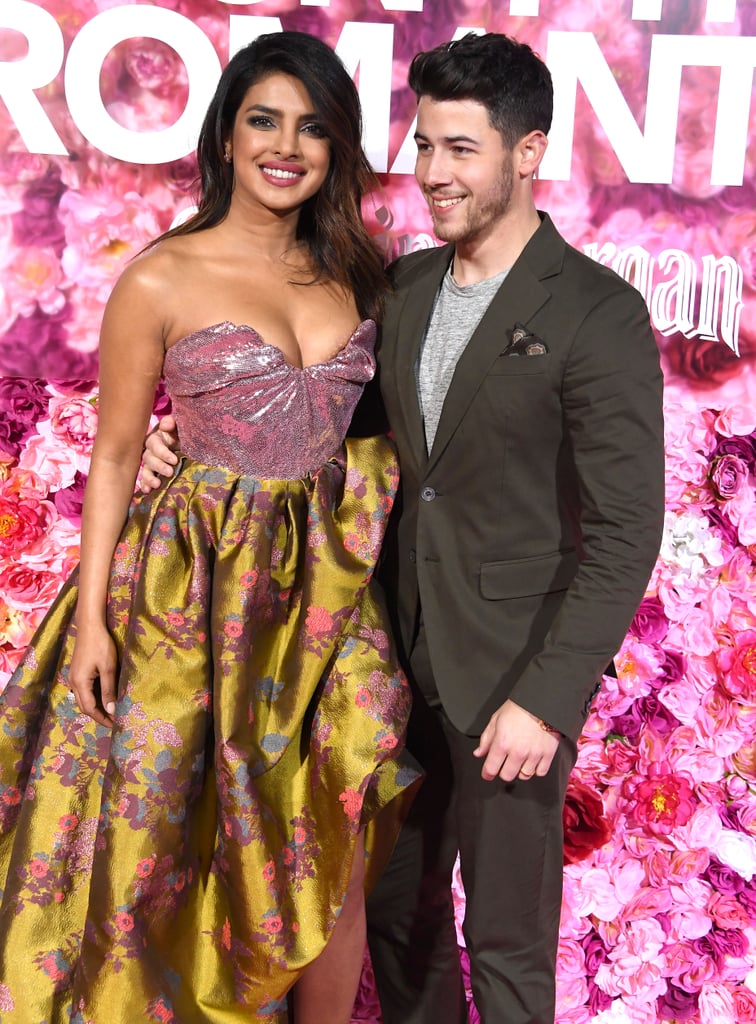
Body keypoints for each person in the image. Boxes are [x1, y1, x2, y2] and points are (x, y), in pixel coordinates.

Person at [143, 31, 665, 1024]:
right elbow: (319, 428)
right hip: (387, 669)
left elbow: (627, 528)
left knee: (507, 944)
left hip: (512, 685)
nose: (433, 174)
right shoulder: (408, 292)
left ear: (526, 154)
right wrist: (179, 447)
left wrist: (548, 701)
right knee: (397, 919)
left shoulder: (599, 314)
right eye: (423, 147)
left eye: (460, 150)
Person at [0, 31, 419, 1024]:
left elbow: (379, 435)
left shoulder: (363, 272)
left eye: (314, 126)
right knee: (173, 849)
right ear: (226, 135)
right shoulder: (162, 276)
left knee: (338, 831)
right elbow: (112, 452)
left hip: (327, 601)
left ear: (338, 148)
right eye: (263, 119)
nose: (287, 145)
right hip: (190, 597)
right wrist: (95, 618)